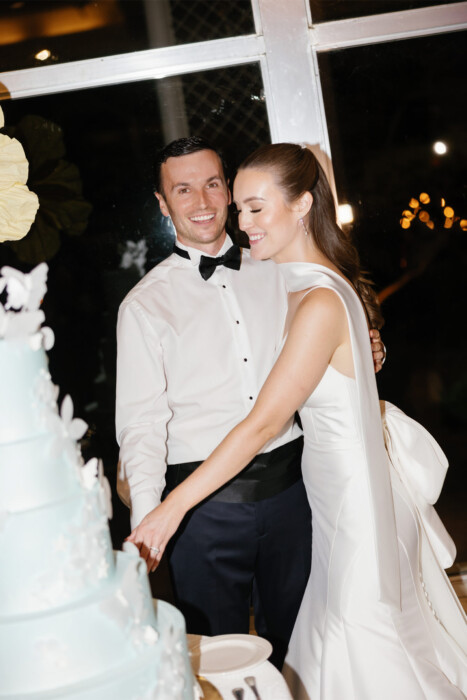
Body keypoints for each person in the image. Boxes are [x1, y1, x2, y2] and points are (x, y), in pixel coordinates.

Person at [128, 143, 467, 699]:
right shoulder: (286, 279)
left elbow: (264, 422)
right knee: (301, 648)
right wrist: (151, 509)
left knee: (356, 644)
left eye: (252, 205)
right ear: (163, 204)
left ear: (302, 204)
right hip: (285, 499)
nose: (241, 221)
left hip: (326, 498)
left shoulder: (297, 284)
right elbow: (143, 424)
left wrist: (170, 509)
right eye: (242, 208)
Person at [115, 137, 384, 669]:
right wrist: (150, 524)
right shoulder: (144, 305)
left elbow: (329, 344)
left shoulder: (281, 268)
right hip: (201, 512)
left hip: (297, 494)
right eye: (183, 190)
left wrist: (369, 348)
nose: (202, 201)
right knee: (221, 660)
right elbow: (142, 427)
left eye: (213, 184)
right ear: (163, 204)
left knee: (308, 650)